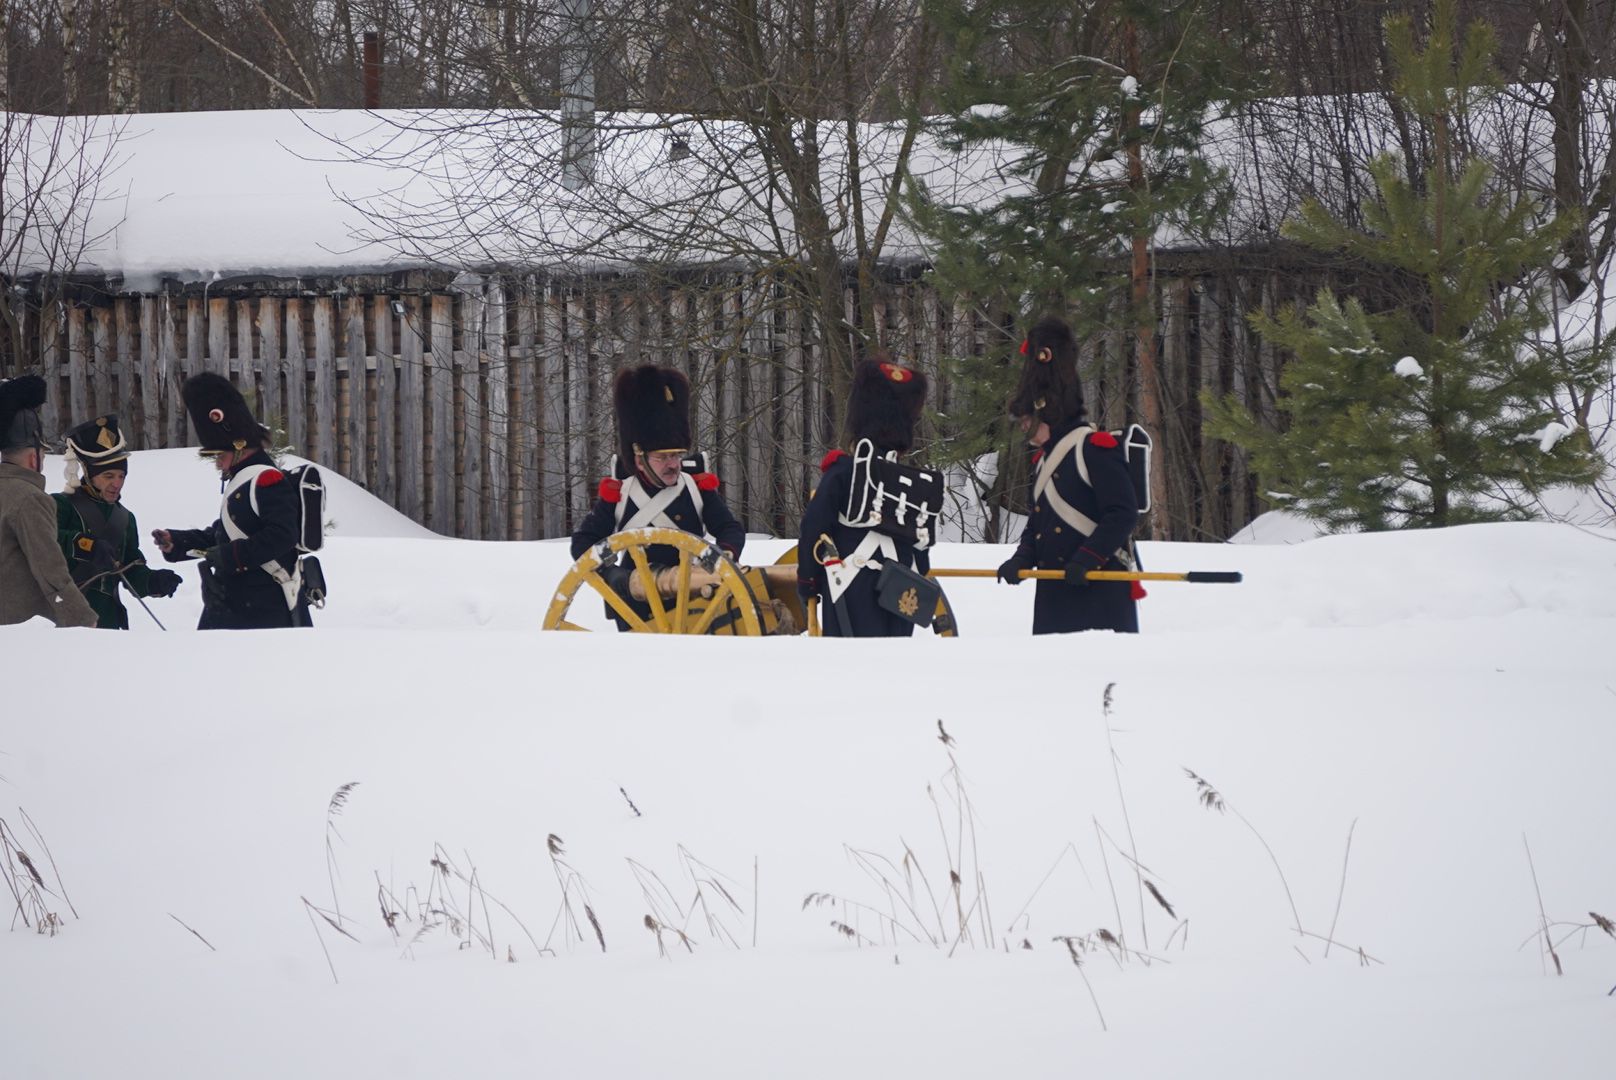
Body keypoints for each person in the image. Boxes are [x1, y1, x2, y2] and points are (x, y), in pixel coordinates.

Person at [995, 316, 1141, 634]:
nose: (1025, 430)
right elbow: (1039, 524)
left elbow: (1122, 513)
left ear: (1048, 413)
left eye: (1028, 421)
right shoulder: (1043, 461)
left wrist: (1087, 558)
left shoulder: (1094, 448)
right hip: (1055, 595)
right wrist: (1021, 559)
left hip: (1100, 593)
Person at [570, 365, 746, 626]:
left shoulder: (696, 489)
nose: (673, 464)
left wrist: (724, 555)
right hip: (637, 605)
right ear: (640, 459)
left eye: (675, 455)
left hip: (694, 597)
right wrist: (612, 574)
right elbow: (583, 543)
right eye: (662, 457)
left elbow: (729, 528)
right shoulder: (620, 495)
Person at [152, 372, 313, 629]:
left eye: (219, 454)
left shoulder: (266, 479)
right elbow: (223, 534)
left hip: (264, 605)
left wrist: (231, 556)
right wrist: (177, 542)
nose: (217, 463)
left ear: (238, 448)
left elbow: (282, 535)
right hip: (238, 603)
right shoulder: (244, 480)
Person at [796, 356, 935, 637]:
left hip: (848, 585)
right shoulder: (913, 482)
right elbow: (921, 548)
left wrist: (807, 579)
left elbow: (814, 526)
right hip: (901, 587)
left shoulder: (841, 472)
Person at [53, 414, 182, 629]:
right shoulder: (61, 505)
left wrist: (152, 582)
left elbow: (129, 565)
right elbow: (43, 540)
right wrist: (86, 545)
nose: (117, 483)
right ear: (88, 474)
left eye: (121, 476)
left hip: (110, 619)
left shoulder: (125, 518)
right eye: (108, 476)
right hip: (65, 614)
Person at [0, 374, 98, 628]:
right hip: (20, 631)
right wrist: (83, 621)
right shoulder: (30, 499)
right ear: (34, 457)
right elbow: (50, 570)